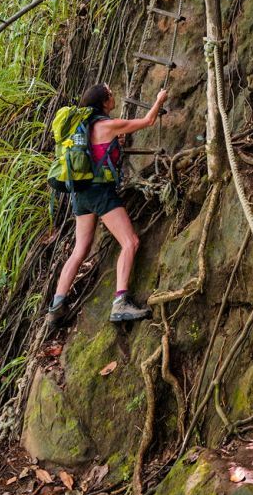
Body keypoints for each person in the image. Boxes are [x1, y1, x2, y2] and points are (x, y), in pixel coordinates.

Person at [46, 82, 168, 326]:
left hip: (80, 193)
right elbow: (148, 121)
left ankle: (56, 306)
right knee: (130, 242)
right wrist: (159, 99)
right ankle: (120, 302)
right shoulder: (108, 125)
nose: (114, 97)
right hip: (100, 192)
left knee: (80, 249)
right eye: (111, 95)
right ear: (104, 102)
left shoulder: (82, 129)